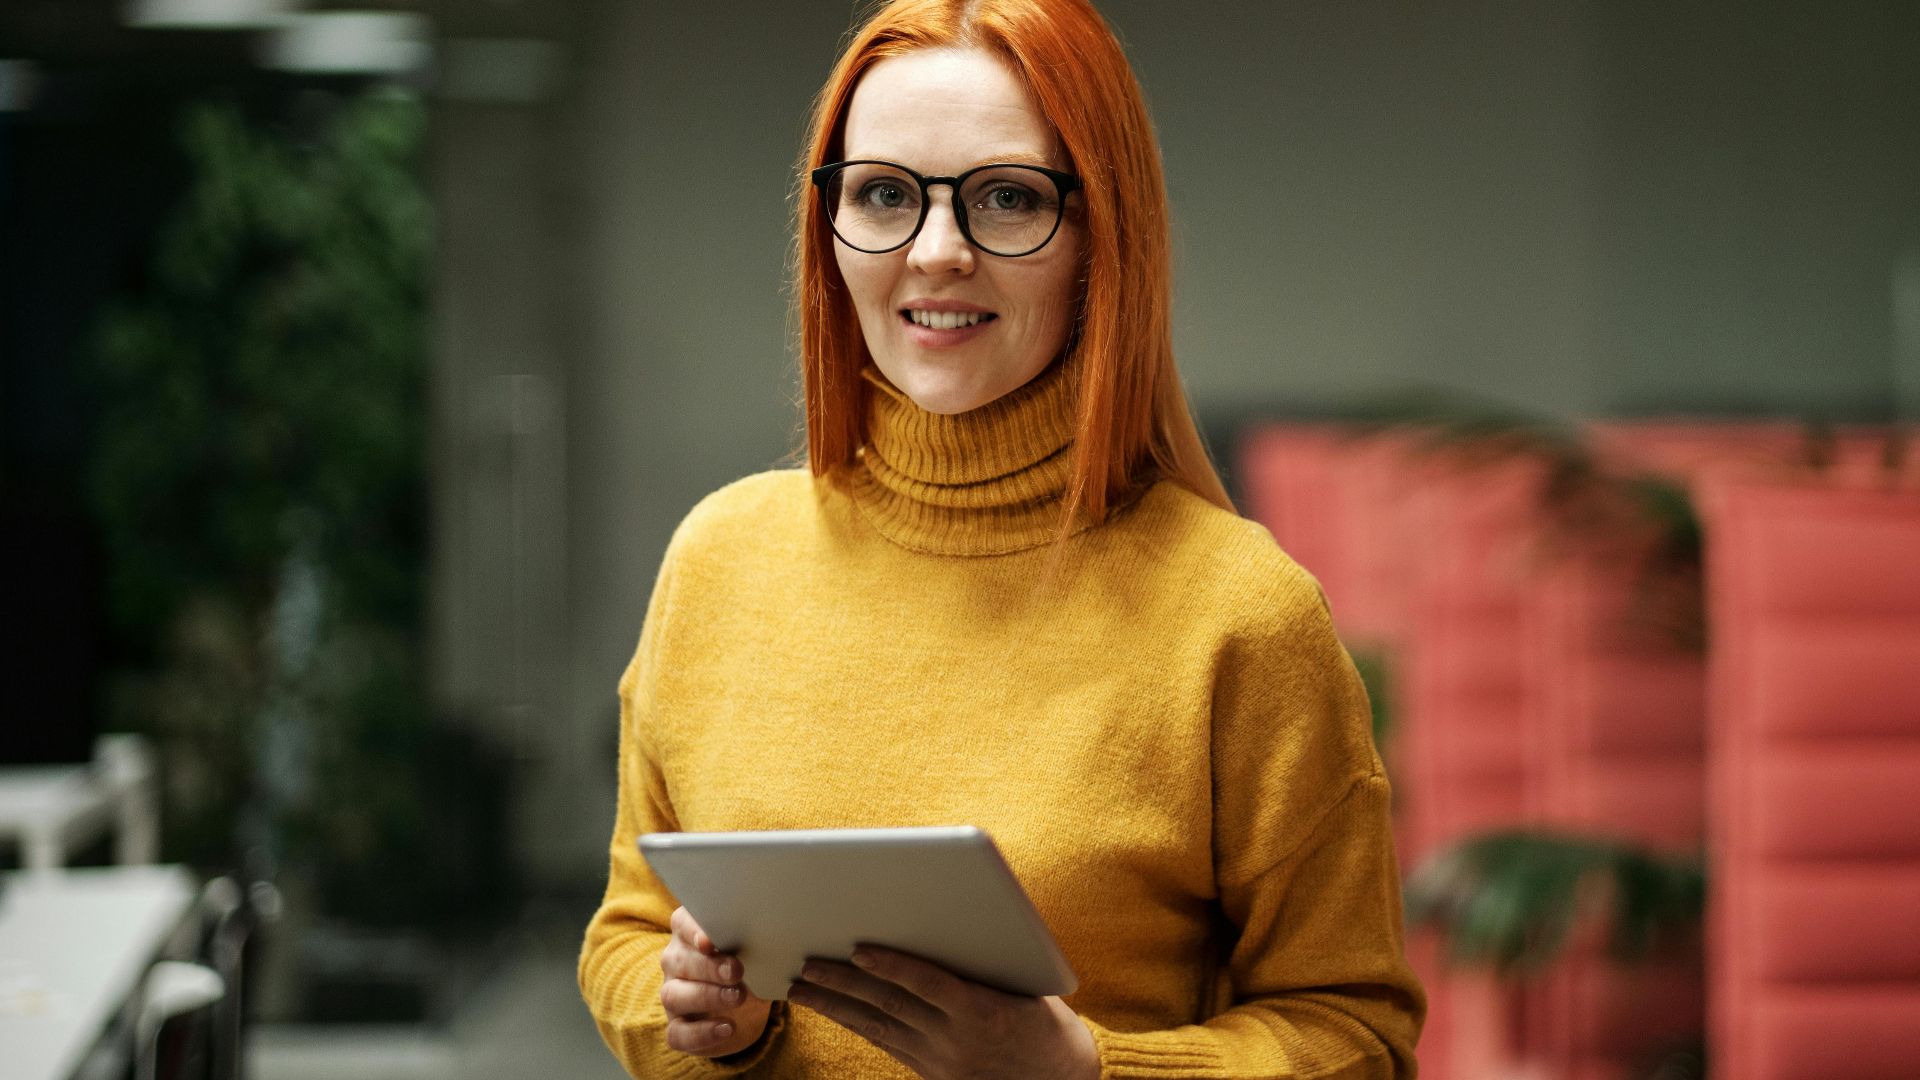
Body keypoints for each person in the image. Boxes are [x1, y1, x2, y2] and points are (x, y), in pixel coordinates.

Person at [577, 0, 1424, 1076]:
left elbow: (1357, 1033)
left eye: (1007, 199)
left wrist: (1084, 1073)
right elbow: (627, 932)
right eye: (883, 194)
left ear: (1101, 235)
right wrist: (698, 1016)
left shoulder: (1239, 616)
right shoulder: (718, 562)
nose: (936, 253)